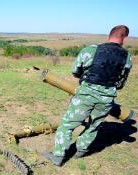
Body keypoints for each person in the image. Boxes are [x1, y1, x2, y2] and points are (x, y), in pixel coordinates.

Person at [43, 25, 132, 166]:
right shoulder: (127, 57)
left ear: (110, 34)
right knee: (94, 125)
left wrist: (86, 78)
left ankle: (58, 156)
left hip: (85, 95)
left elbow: (75, 71)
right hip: (107, 100)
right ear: (123, 37)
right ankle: (81, 150)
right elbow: (121, 84)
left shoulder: (91, 50)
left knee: (66, 125)